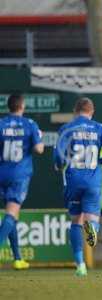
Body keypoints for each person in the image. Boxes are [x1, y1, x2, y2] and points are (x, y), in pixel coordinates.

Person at [54, 97, 102, 276]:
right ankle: (93, 229)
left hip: (73, 179)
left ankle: (80, 265)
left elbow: (58, 155)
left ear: (75, 110)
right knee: (91, 219)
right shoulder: (100, 128)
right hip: (93, 180)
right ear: (92, 111)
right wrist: (98, 161)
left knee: (75, 221)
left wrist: (59, 164)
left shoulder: (66, 128)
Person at [0, 94, 44, 270]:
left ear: (8, 107)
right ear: (22, 106)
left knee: (13, 216)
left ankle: (18, 258)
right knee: (11, 214)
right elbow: (39, 149)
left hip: (2, 173)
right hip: (19, 175)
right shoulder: (30, 125)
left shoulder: (1, 124)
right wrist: (38, 137)